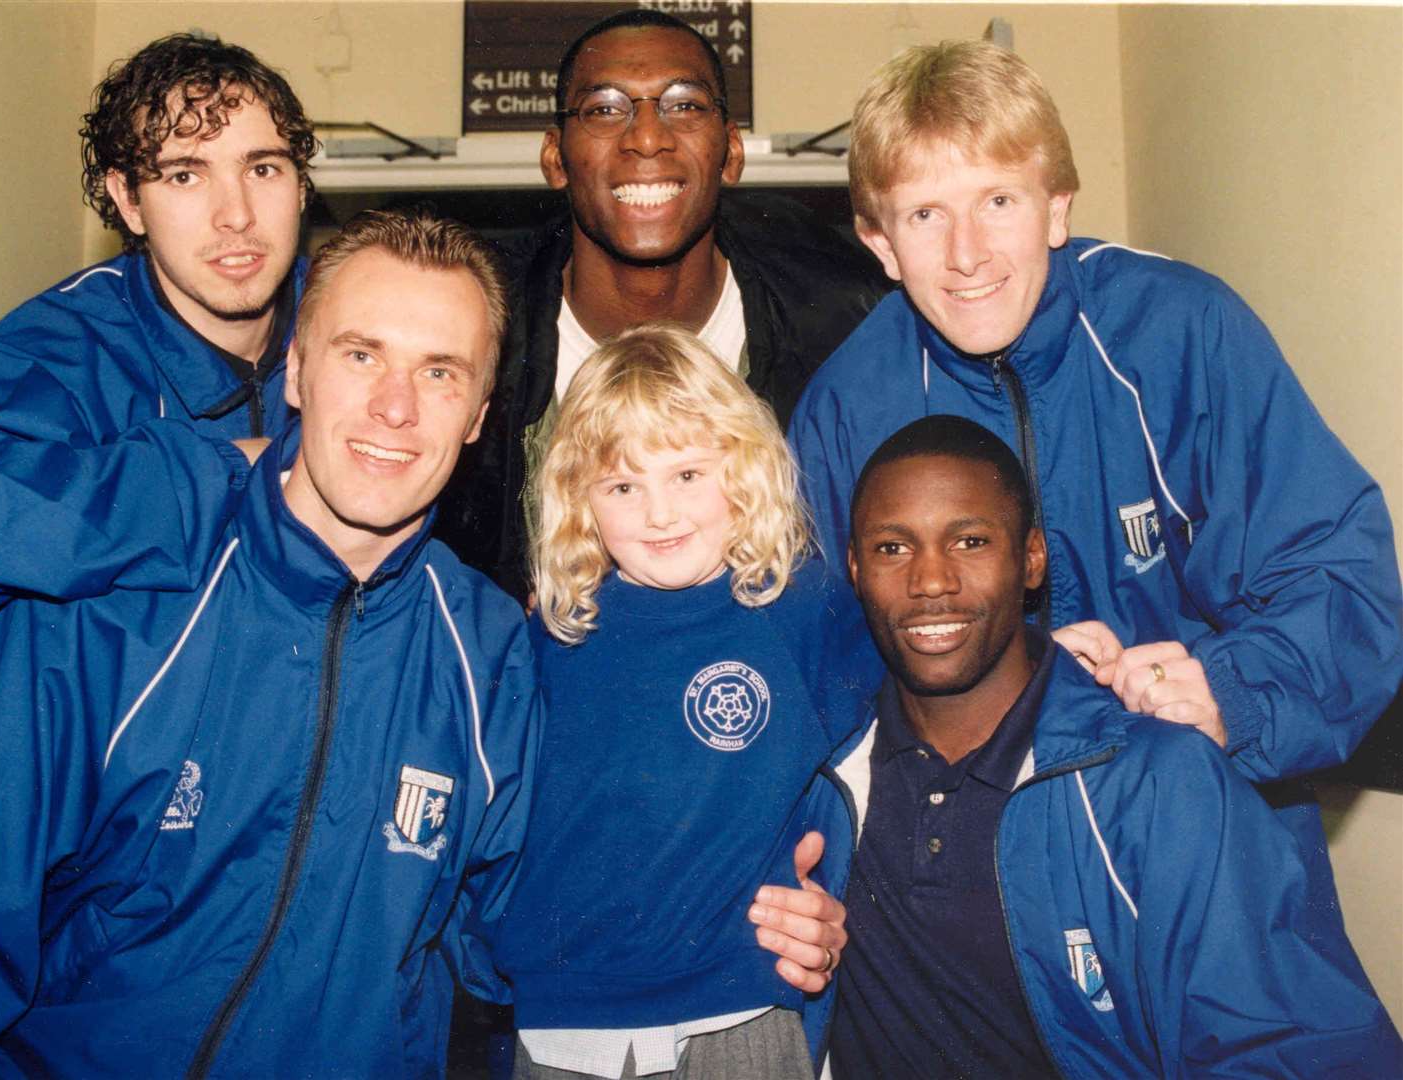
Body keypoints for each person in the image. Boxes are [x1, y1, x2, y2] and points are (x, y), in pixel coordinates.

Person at [0, 210, 542, 1077]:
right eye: (361, 353)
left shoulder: (491, 655)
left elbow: (526, 947)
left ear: (477, 418)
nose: (395, 406)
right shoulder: (109, 605)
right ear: (296, 371)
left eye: (440, 372)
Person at [788, 42, 1402, 834]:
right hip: (975, 839)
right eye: (924, 215)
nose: (965, 253)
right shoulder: (846, 405)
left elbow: (1336, 575)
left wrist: (1230, 691)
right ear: (880, 245)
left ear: (1056, 209)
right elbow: (816, 661)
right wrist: (1007, 680)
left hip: (1202, 805)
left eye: (998, 202)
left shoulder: (1183, 331)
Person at [820, 415, 1401, 1077]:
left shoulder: (1156, 781)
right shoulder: (822, 769)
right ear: (855, 567)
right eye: (893, 548)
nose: (930, 581)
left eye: (970, 541)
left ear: (1030, 558)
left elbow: (1293, 1046)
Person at [496, 326, 880, 1080]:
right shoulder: (551, 637)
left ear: (742, 468)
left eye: (687, 475)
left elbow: (904, 735)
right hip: (564, 1020)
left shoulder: (800, 608)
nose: (659, 513)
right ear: (580, 500)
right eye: (622, 486)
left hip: (738, 1007)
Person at [435, 7, 891, 601]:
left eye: (684, 105)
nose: (647, 138)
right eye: (604, 109)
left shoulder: (840, 326)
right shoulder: (483, 334)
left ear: (730, 153)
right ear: (555, 158)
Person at [0, 33, 311, 637]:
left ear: (301, 186)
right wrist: (228, 470)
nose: (237, 214)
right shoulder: (51, 353)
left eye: (263, 167)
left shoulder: (354, 326)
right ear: (129, 200)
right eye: (184, 177)